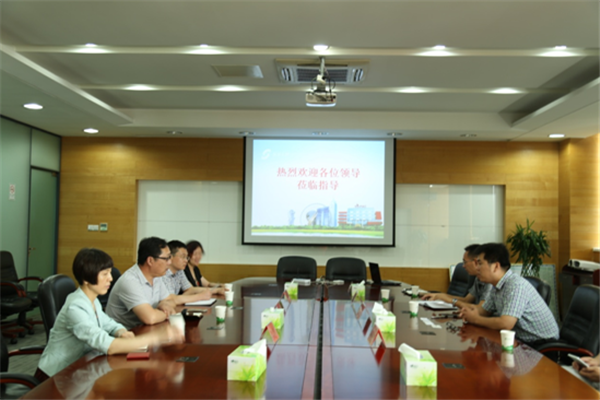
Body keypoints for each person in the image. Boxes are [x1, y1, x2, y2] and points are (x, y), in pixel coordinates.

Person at [35, 248, 182, 382]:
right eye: (105, 274)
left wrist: (121, 332)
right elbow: (108, 345)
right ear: (86, 279)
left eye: (110, 273)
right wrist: (155, 337)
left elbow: (108, 323)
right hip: (55, 377)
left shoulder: (92, 300)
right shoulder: (75, 307)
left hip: (79, 370)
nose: (110, 278)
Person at [459, 242, 559, 346]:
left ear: (495, 266)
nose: (477, 268)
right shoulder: (496, 286)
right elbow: (484, 311)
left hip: (542, 345)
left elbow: (506, 324)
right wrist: (467, 312)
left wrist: (476, 319)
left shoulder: (515, 285)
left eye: (480, 263)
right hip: (519, 340)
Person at [106, 237, 179, 329]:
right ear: (150, 261)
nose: (169, 262)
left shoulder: (156, 276)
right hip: (124, 334)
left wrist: (165, 304)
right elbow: (150, 318)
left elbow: (170, 300)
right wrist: (167, 313)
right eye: (166, 258)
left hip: (145, 330)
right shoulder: (130, 281)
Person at [422, 244, 492, 308]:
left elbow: (481, 309)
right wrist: (440, 296)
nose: (463, 266)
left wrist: (451, 301)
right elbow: (466, 300)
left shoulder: (490, 281)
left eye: (465, 262)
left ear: (475, 261)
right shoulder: (478, 279)